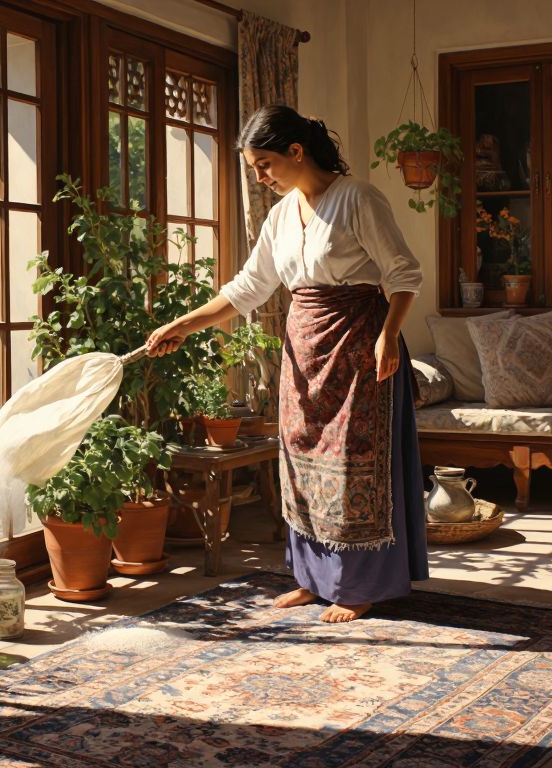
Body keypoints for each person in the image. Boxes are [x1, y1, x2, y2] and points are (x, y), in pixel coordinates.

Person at [146, 105, 428, 623]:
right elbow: (248, 288)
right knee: (299, 459)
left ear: (296, 152)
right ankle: (310, 578)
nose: (259, 177)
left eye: (264, 164)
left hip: (359, 345)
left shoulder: (358, 198)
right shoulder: (280, 215)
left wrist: (389, 337)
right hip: (303, 348)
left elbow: (403, 274)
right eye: (254, 167)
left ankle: (359, 584)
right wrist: (183, 325)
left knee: (352, 466)